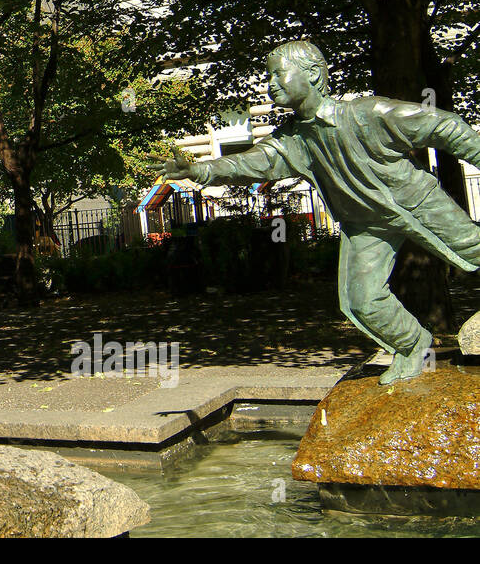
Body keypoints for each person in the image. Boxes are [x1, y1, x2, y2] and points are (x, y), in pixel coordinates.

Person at [164, 39, 480, 384]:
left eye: (278, 74)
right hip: (365, 225)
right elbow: (253, 162)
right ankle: (413, 346)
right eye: (268, 76)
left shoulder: (368, 114)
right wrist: (200, 171)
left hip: (416, 201)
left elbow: (444, 126)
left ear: (313, 74)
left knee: (474, 250)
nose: (270, 83)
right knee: (362, 301)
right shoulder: (292, 139)